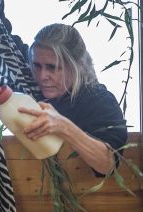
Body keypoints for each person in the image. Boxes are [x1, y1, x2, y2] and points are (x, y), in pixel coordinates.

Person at [18, 23, 128, 176]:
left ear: (78, 65)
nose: (42, 76)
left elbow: (108, 164)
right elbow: (2, 38)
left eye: (52, 67)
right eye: (37, 66)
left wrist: (63, 127)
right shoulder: (31, 85)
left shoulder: (99, 101)